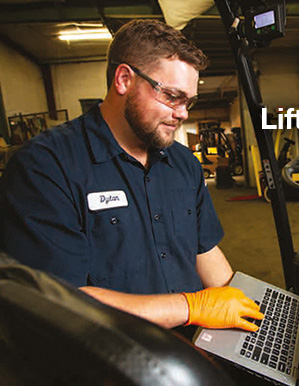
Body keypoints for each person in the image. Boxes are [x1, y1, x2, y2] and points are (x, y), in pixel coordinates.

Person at [0, 19, 262, 332]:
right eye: (172, 96)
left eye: (188, 101)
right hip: (113, 356)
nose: (183, 113)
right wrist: (192, 307)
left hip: (192, 342)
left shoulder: (183, 163)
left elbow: (203, 250)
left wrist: (246, 309)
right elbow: (55, 300)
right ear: (124, 80)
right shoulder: (44, 167)